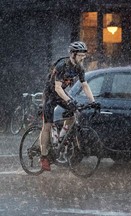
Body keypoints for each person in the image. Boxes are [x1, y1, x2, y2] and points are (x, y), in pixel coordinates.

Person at [40, 41, 95, 171]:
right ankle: (43, 157)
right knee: (47, 126)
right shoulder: (61, 66)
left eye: (84, 56)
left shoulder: (79, 68)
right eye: (80, 55)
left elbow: (85, 85)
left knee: (73, 113)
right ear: (72, 54)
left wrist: (93, 101)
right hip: (50, 95)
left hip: (60, 94)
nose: (82, 58)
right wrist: (68, 100)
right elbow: (57, 87)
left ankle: (61, 136)